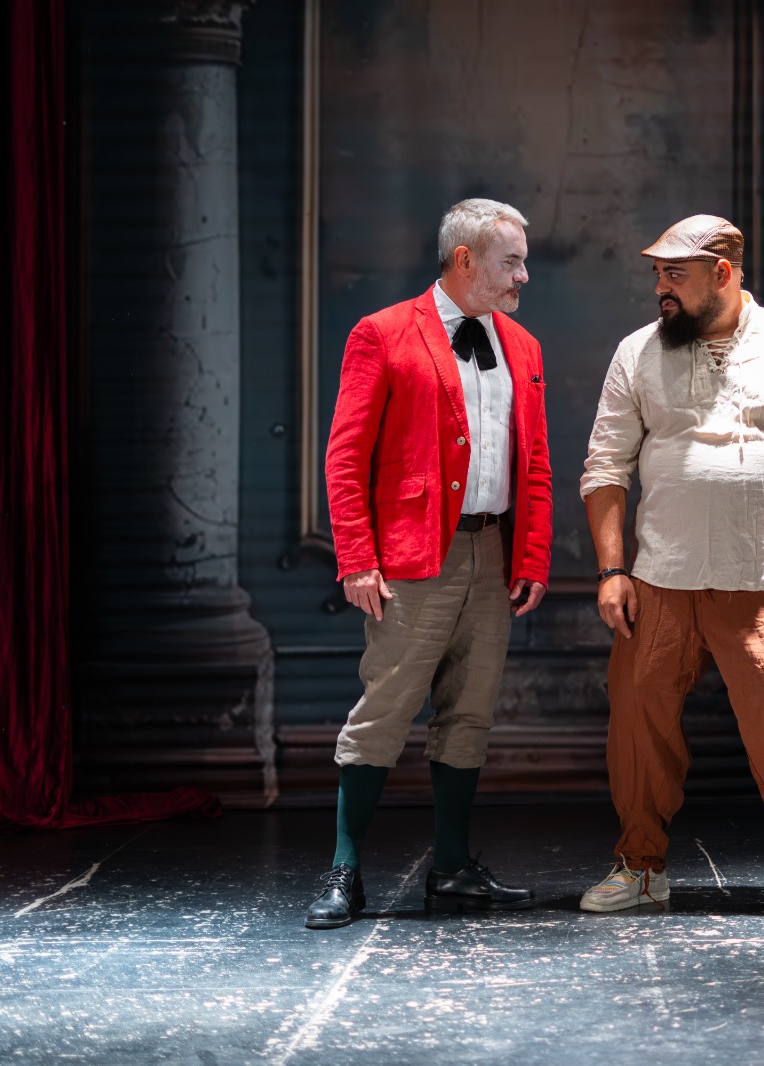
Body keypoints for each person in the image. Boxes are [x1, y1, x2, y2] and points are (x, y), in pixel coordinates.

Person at [577, 214, 764, 919]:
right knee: (638, 719)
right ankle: (640, 866)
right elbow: (605, 467)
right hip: (660, 578)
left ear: (724, 274)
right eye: (657, 274)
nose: (661, 287)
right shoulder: (636, 352)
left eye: (675, 274)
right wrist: (613, 572)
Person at [306, 198, 552, 928]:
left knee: (469, 712)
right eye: (512, 262)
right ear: (465, 259)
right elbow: (345, 456)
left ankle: (451, 867)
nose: (524, 276)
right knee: (384, 709)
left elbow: (536, 463)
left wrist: (532, 554)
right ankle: (345, 871)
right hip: (413, 556)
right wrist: (357, 558)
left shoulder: (524, 347)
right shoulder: (382, 333)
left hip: (492, 552)